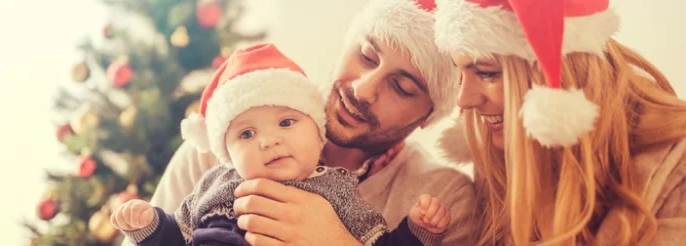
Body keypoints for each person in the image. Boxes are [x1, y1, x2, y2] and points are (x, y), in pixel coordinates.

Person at [142, 0, 479, 245]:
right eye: (366, 56)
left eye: (401, 88)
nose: (363, 89)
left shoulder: (442, 198)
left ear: (428, 116)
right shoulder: (222, 144)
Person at [434, 0, 686, 245]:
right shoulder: (498, 153)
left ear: (561, 70)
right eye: (459, 71)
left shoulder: (676, 168)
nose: (463, 100)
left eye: (486, 72)